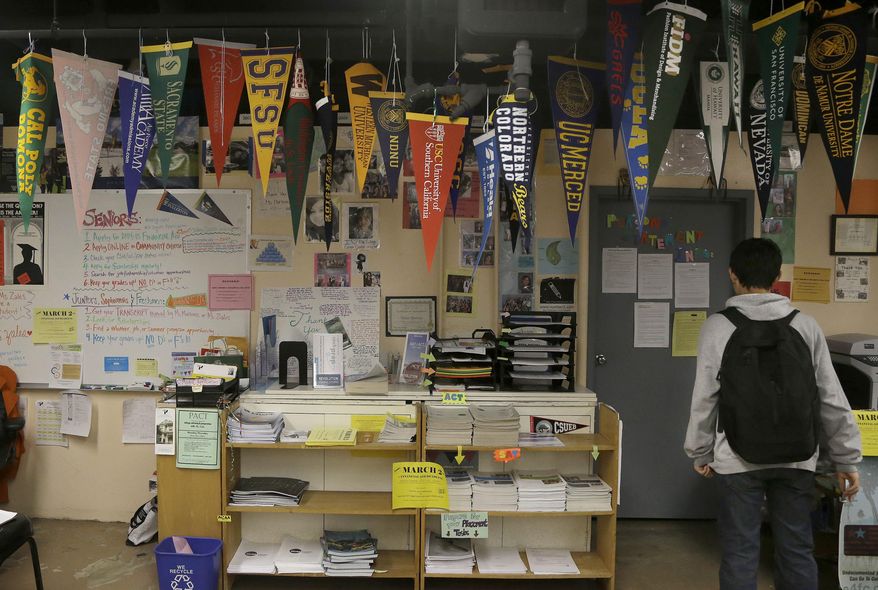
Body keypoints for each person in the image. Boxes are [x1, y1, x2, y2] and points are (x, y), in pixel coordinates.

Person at [684, 238, 861, 590]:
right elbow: (831, 396)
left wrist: (700, 451)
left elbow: (705, 397)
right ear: (778, 276)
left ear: (732, 275)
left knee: (739, 552)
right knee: (796, 549)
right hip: (797, 457)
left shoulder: (718, 327)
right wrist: (846, 459)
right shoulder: (806, 326)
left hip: (736, 458)